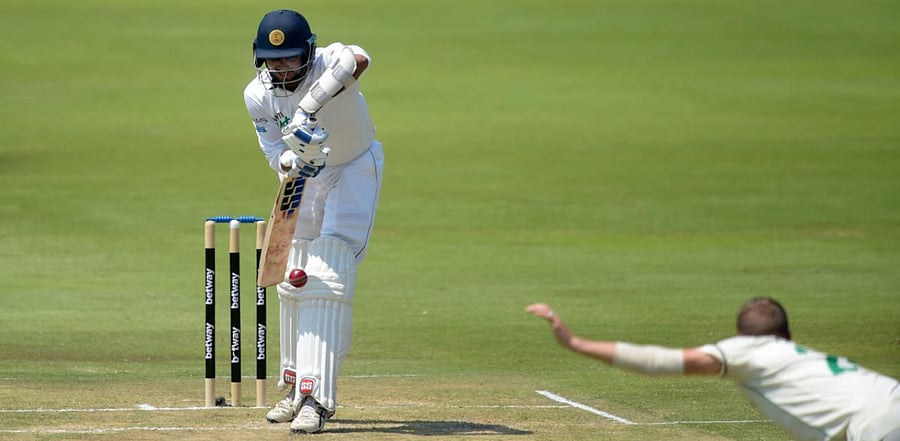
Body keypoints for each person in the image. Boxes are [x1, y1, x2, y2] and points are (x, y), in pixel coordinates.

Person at [243, 9, 383, 434]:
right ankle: (295, 386)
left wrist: (307, 108)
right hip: (306, 178)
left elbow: (359, 58)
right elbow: (273, 154)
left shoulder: (327, 62)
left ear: (307, 52)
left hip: (355, 167)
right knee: (292, 280)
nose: (281, 68)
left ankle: (318, 398)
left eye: (289, 59)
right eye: (272, 60)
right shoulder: (257, 94)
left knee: (327, 274)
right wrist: (292, 158)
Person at [526, 297, 900, 441]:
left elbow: (661, 362)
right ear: (788, 333)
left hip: (876, 428)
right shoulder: (801, 355)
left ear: (741, 334)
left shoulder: (749, 352)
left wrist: (575, 343)